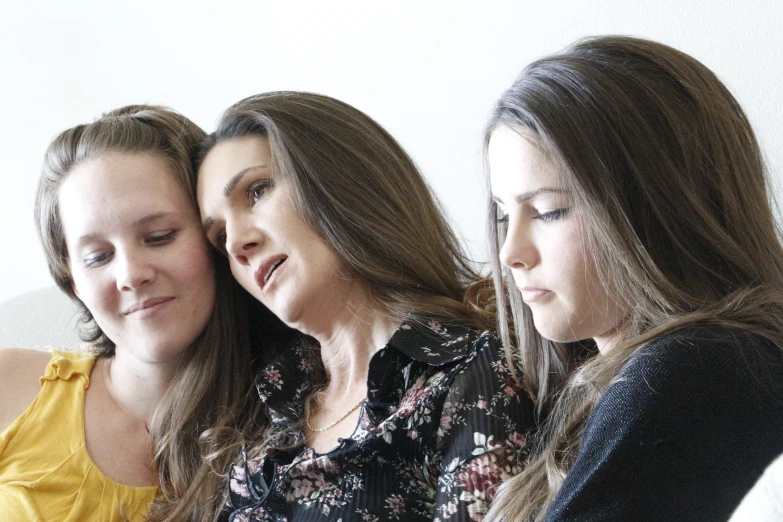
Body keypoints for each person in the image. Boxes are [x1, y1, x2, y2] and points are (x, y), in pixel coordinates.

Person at [481, 36, 783, 522]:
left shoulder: (695, 373)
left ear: (662, 208)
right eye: (502, 216)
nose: (510, 253)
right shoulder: (644, 373)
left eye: (549, 211)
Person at [195, 91, 535, 521]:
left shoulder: (472, 373)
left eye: (258, 191)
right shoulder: (264, 407)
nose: (237, 244)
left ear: (343, 180)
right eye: (218, 236)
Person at [0, 105, 283, 522]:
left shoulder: (292, 417)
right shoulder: (11, 385)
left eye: (159, 237)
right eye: (98, 257)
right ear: (73, 281)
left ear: (217, 237)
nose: (130, 274)